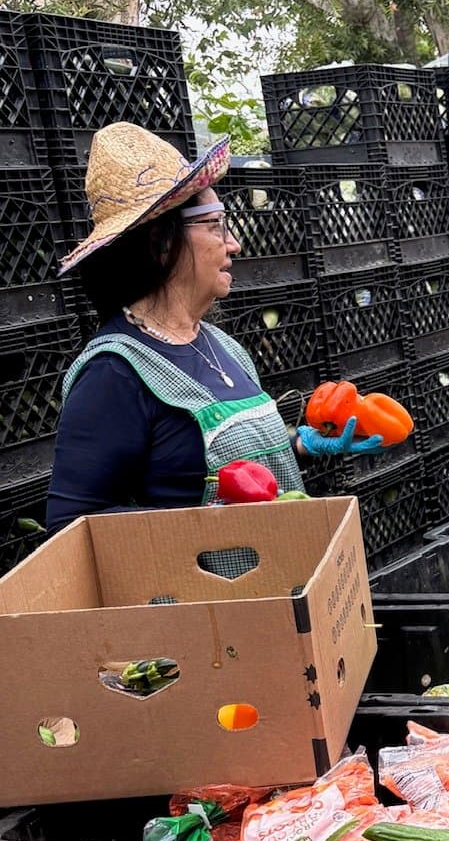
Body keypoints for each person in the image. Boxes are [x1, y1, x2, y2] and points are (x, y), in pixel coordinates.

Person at [47, 124, 392, 534]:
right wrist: (210, 523)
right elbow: (72, 525)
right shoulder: (114, 374)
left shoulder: (220, 344)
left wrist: (300, 445)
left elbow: (230, 475)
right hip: (207, 595)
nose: (234, 244)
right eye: (216, 225)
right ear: (161, 242)